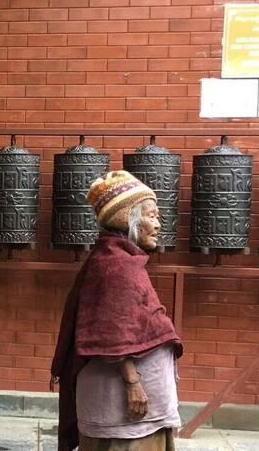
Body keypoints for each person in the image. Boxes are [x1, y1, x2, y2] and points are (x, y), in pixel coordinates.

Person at [50, 171, 184, 451]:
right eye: (151, 216)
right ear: (129, 220)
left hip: (135, 414)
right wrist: (132, 383)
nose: (158, 224)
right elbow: (112, 331)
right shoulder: (116, 265)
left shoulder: (115, 258)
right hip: (126, 411)